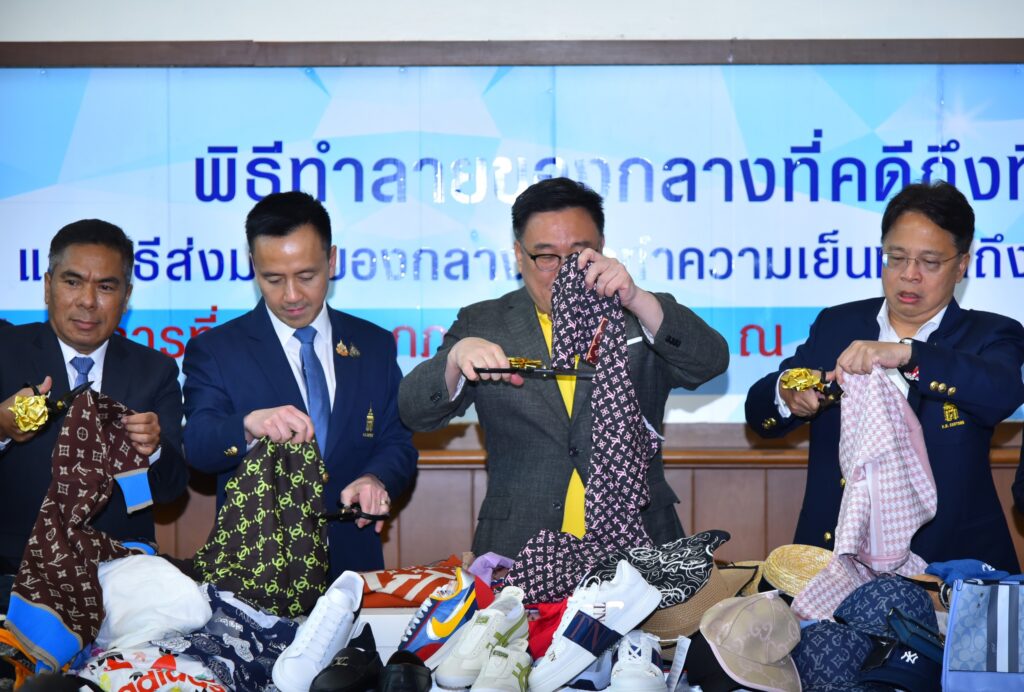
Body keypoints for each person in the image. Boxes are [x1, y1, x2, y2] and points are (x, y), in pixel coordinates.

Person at [398, 177, 730, 559]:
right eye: (546, 257)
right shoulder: (484, 323)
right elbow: (414, 411)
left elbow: (710, 362)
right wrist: (454, 361)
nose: (564, 272)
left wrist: (638, 299)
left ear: (601, 247)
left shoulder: (640, 313)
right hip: (519, 546)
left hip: (640, 542)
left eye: (578, 254)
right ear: (519, 256)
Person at [745, 181, 1024, 572]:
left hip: (949, 568)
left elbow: (1002, 391)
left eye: (929, 262)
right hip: (837, 566)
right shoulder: (838, 324)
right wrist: (787, 393)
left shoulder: (989, 334)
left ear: (961, 264)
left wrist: (908, 354)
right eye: (896, 257)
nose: (909, 275)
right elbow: (759, 413)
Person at [182, 191, 417, 576]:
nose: (291, 295)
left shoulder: (373, 345)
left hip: (354, 567)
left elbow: (397, 442)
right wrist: (246, 425)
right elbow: (199, 446)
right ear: (254, 267)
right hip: (258, 575)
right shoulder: (217, 350)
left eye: (306, 276)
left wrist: (376, 478)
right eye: (273, 279)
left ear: (332, 260)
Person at [0, 219, 189, 575]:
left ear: (126, 297)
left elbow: (170, 491)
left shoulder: (156, 370)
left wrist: (155, 449)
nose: (88, 301)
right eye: (72, 282)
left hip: (119, 567)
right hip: (13, 567)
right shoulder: (5, 353)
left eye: (105, 287)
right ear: (47, 287)